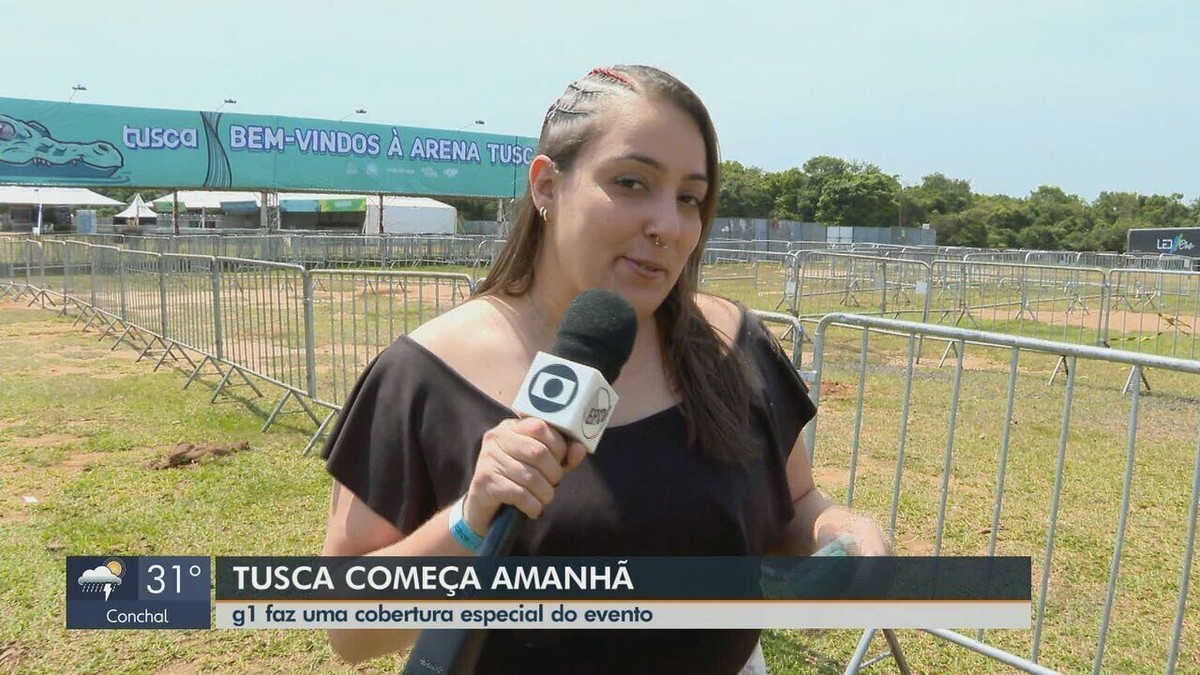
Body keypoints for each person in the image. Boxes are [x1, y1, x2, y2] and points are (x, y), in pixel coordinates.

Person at [320, 64, 890, 674]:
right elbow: (349, 629)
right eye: (632, 182)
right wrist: (469, 519)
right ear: (546, 186)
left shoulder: (733, 344)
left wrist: (842, 529)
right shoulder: (423, 374)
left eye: (690, 198)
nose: (667, 226)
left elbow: (794, 502)